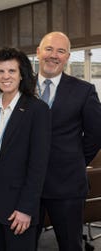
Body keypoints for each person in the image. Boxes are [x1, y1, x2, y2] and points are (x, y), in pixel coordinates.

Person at [0, 47, 51, 251]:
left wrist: (26, 208)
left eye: (12, 71)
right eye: (0, 72)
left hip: (18, 206)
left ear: (21, 74)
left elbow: (38, 164)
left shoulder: (37, 109)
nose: (6, 77)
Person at [35, 31, 101, 250]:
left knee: (70, 245)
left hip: (67, 186)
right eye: (49, 49)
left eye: (61, 51)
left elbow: (95, 134)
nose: (54, 55)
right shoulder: (19, 88)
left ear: (67, 57)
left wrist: (75, 160)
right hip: (25, 186)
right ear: (38, 53)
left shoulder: (84, 91)